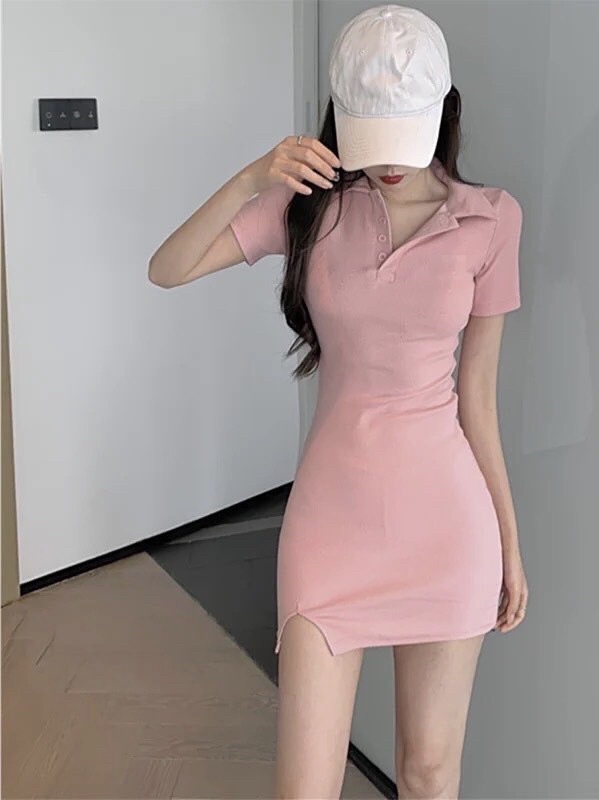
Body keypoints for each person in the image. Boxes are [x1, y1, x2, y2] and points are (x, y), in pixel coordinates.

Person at [148, 3, 528, 797]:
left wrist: (510, 544)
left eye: (402, 133)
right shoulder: (310, 207)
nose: (386, 163)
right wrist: (254, 176)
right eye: (371, 134)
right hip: (330, 527)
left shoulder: (491, 221)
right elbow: (168, 268)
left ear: (443, 111)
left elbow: (479, 402)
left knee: (428, 774)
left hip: (448, 529)